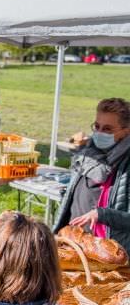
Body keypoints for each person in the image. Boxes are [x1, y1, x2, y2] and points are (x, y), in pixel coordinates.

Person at [54, 98, 130, 255]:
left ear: (126, 131)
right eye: (97, 126)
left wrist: (102, 214)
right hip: (74, 241)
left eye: (108, 129)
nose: (100, 133)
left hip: (107, 251)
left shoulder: (126, 164)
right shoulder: (87, 153)